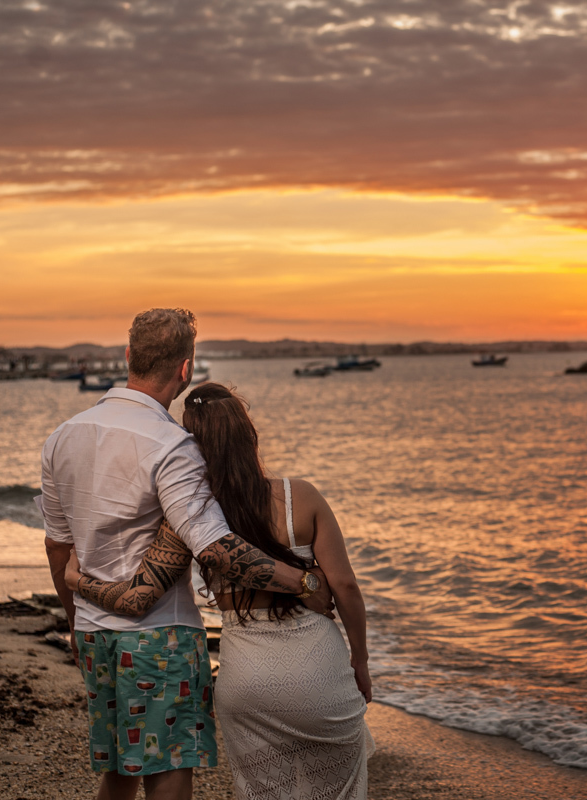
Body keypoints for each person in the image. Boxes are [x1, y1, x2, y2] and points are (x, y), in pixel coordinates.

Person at [41, 308, 333, 800]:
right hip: (160, 638)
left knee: (118, 769)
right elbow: (215, 548)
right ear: (185, 369)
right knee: (171, 766)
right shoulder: (172, 445)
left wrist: (74, 621)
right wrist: (301, 581)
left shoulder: (63, 437)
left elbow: (57, 545)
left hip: (94, 634)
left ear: (129, 355)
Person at [66, 381, 375, 800]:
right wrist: (360, 660)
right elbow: (346, 587)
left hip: (245, 680)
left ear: (194, 447)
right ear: (251, 435)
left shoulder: (190, 518)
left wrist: (77, 581)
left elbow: (137, 598)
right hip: (319, 671)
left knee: (266, 791)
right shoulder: (300, 496)